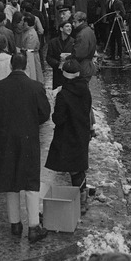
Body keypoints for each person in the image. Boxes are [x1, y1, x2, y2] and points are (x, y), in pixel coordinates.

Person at [0, 52, 52, 243]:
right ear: (26, 67)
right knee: (30, 181)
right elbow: (45, 114)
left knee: (10, 181)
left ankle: (15, 224)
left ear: (10, 66)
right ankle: (33, 227)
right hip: (28, 139)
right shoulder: (35, 87)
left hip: (6, 140)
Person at [44, 57, 93, 214]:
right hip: (82, 132)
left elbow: (58, 119)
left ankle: (82, 202)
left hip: (68, 136)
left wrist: (54, 104)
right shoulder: (85, 89)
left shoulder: (63, 95)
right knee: (79, 167)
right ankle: (83, 198)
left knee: (74, 169)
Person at [46, 20, 76, 90]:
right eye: (67, 26)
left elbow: (76, 56)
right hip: (57, 73)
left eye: (70, 27)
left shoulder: (74, 42)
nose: (69, 28)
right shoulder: (53, 42)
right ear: (61, 29)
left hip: (70, 73)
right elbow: (48, 57)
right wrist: (57, 64)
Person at [18, 12, 44, 82]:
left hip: (31, 58)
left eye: (22, 21)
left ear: (26, 23)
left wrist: (21, 50)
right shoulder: (26, 31)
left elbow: (29, 50)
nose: (21, 23)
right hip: (29, 56)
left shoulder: (31, 34)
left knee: (33, 75)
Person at [71, 11, 97, 81]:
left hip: (83, 66)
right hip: (88, 65)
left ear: (81, 21)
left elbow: (79, 54)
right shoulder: (89, 30)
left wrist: (68, 58)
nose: (73, 24)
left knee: (81, 88)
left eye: (75, 22)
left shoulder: (81, 34)